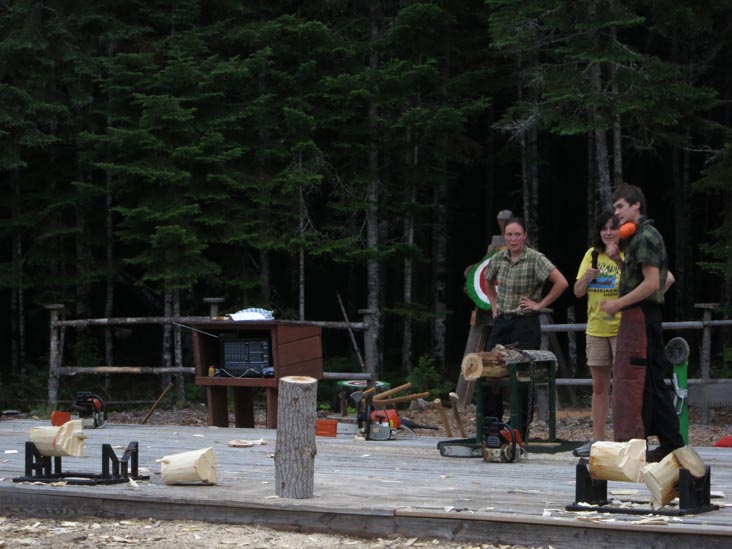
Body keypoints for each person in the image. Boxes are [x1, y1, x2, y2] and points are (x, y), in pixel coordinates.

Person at [600, 184, 683, 462]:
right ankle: (669, 443)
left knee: (646, 381)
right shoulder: (637, 239)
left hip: (642, 316)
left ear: (636, 206)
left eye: (621, 207)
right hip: (641, 316)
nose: (617, 213)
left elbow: (651, 283)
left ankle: (668, 444)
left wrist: (618, 303)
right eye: (615, 208)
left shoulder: (645, 236)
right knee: (647, 381)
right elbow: (660, 279)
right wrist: (620, 262)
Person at [481, 217, 569, 437]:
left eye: (517, 234)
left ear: (525, 236)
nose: (513, 239)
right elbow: (488, 282)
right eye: (509, 235)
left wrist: (539, 305)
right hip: (502, 321)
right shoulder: (499, 258)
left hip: (525, 323)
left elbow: (561, 282)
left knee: (521, 376)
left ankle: (518, 428)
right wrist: (494, 304)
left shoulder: (535, 258)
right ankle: (491, 425)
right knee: (489, 370)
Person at [572, 211, 622, 458]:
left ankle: (624, 439)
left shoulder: (629, 253)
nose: (609, 232)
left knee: (624, 387)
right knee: (599, 387)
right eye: (605, 228)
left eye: (613, 228)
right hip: (596, 327)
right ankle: (598, 439)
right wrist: (586, 278)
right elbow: (578, 291)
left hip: (623, 327)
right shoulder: (592, 254)